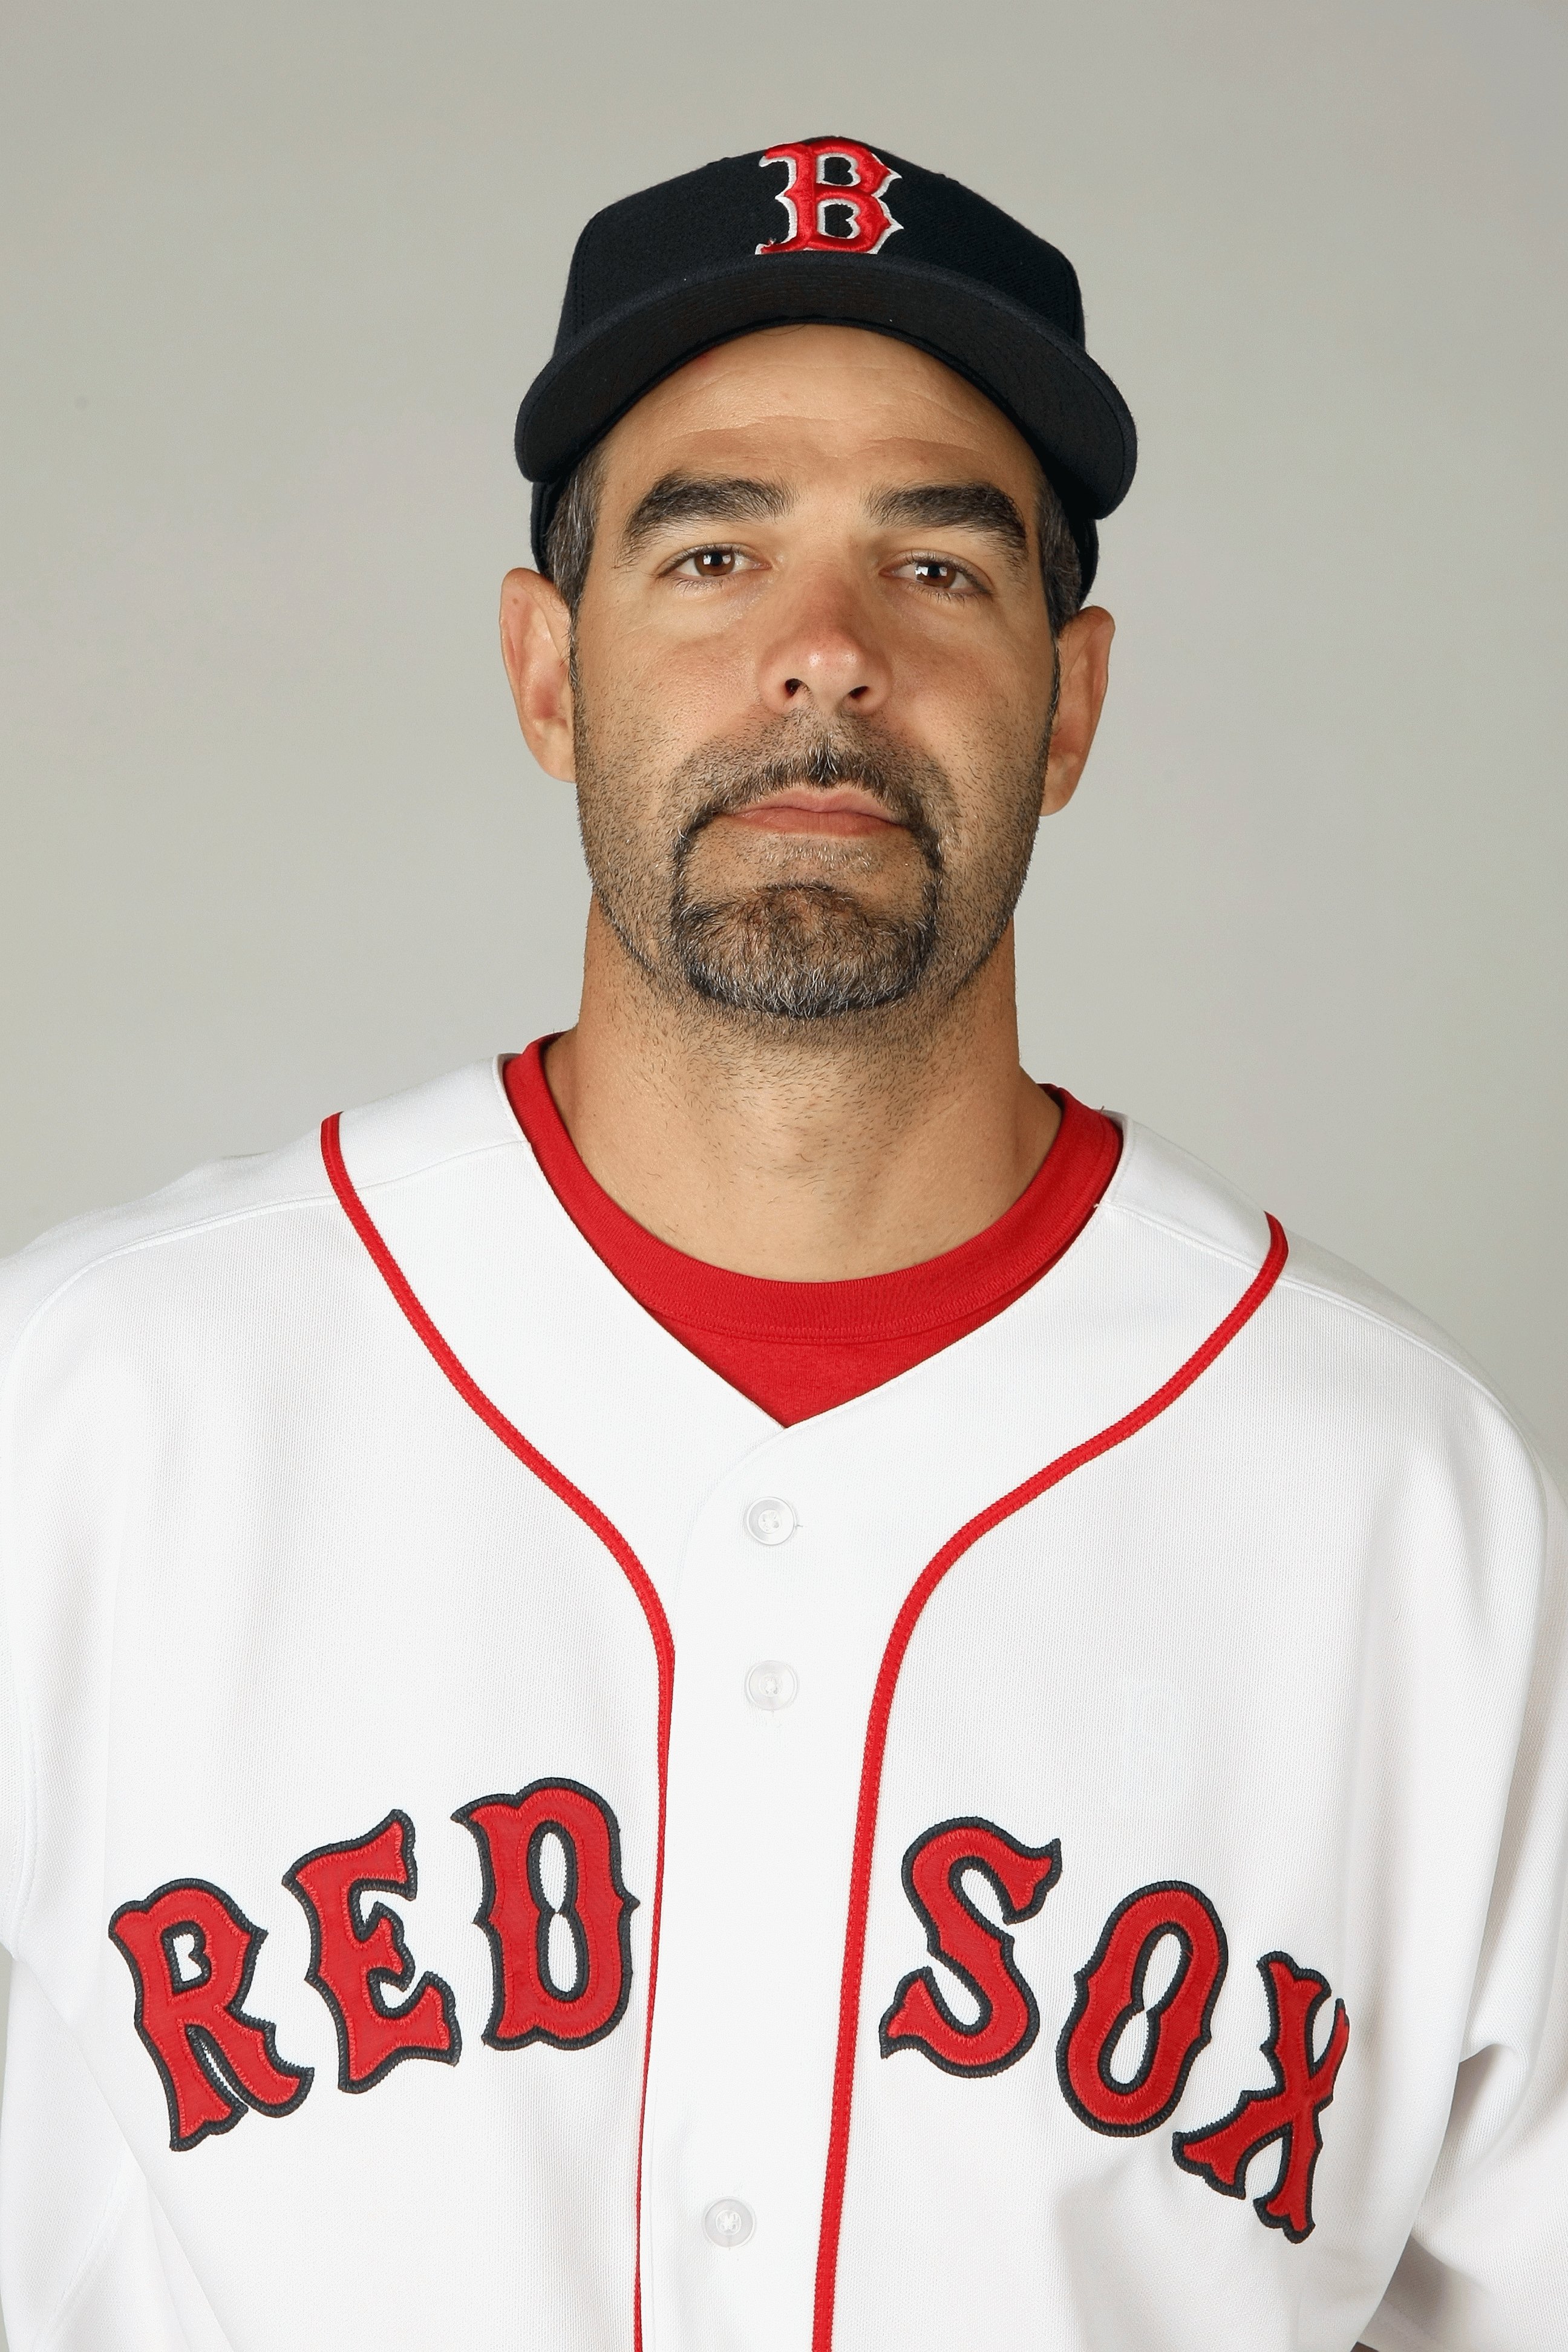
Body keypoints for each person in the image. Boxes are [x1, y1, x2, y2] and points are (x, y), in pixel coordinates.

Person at [0, 136, 1560, 2352]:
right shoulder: (94, 1417)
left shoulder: (1414, 1516)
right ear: (548, 670)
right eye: (712, 550)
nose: (822, 656)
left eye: (938, 568)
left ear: (1076, 696)